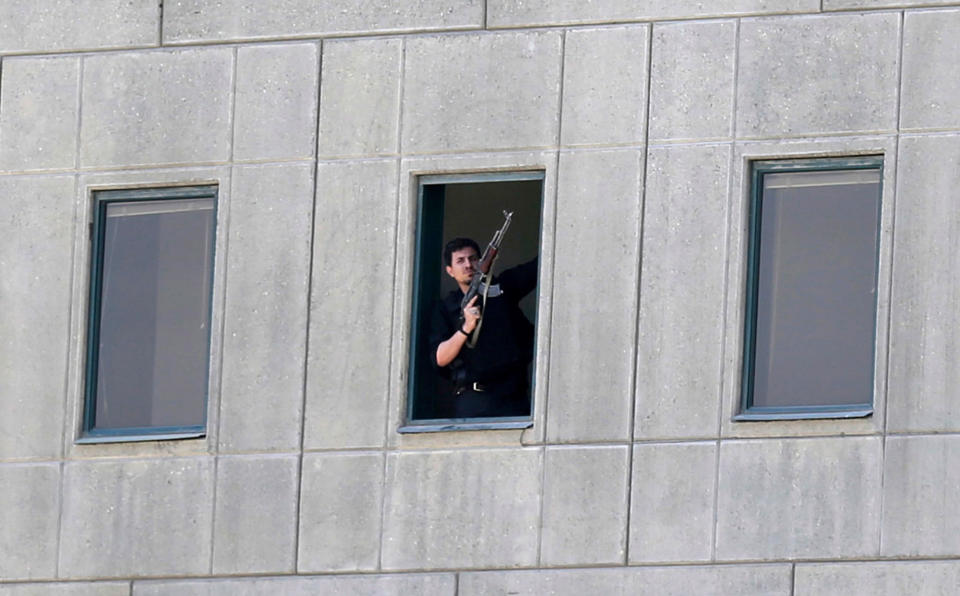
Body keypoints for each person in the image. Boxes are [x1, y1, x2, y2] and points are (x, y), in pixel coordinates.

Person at [428, 237, 537, 418]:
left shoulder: (504, 288)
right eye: (460, 261)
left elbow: (540, 267)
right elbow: (440, 357)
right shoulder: (446, 308)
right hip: (474, 399)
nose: (468, 265)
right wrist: (466, 328)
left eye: (473, 259)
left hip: (513, 397)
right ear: (450, 271)